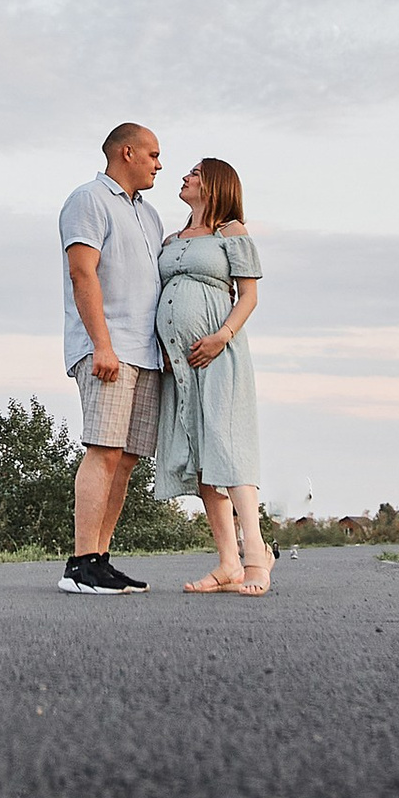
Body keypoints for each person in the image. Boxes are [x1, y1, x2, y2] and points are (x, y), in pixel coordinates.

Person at [150, 156, 269, 594]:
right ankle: (227, 563)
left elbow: (249, 295)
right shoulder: (170, 238)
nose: (184, 177)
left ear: (215, 184)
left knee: (228, 445)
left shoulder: (231, 233)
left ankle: (256, 556)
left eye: (195, 173)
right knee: (201, 455)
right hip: (178, 363)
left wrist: (222, 336)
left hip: (220, 354)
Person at [56, 122, 165, 597]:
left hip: (145, 355)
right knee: (102, 450)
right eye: (153, 154)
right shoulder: (88, 200)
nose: (159, 164)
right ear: (127, 153)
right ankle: (80, 564)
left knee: (125, 459)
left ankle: (100, 558)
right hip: (109, 348)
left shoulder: (151, 216)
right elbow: (83, 273)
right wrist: (102, 344)